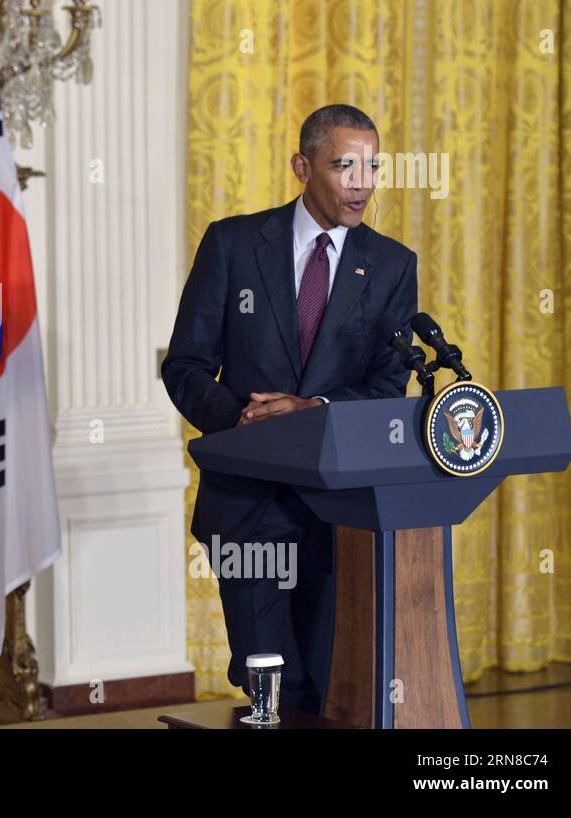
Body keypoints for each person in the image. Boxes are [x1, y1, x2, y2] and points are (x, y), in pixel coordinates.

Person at [161, 104, 419, 716]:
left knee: (334, 690)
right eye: (343, 166)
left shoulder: (390, 265)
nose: (362, 182)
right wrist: (246, 423)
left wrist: (313, 408)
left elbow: (389, 386)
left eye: (371, 166)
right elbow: (186, 366)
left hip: (342, 518)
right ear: (303, 167)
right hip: (249, 508)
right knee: (270, 690)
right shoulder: (233, 243)